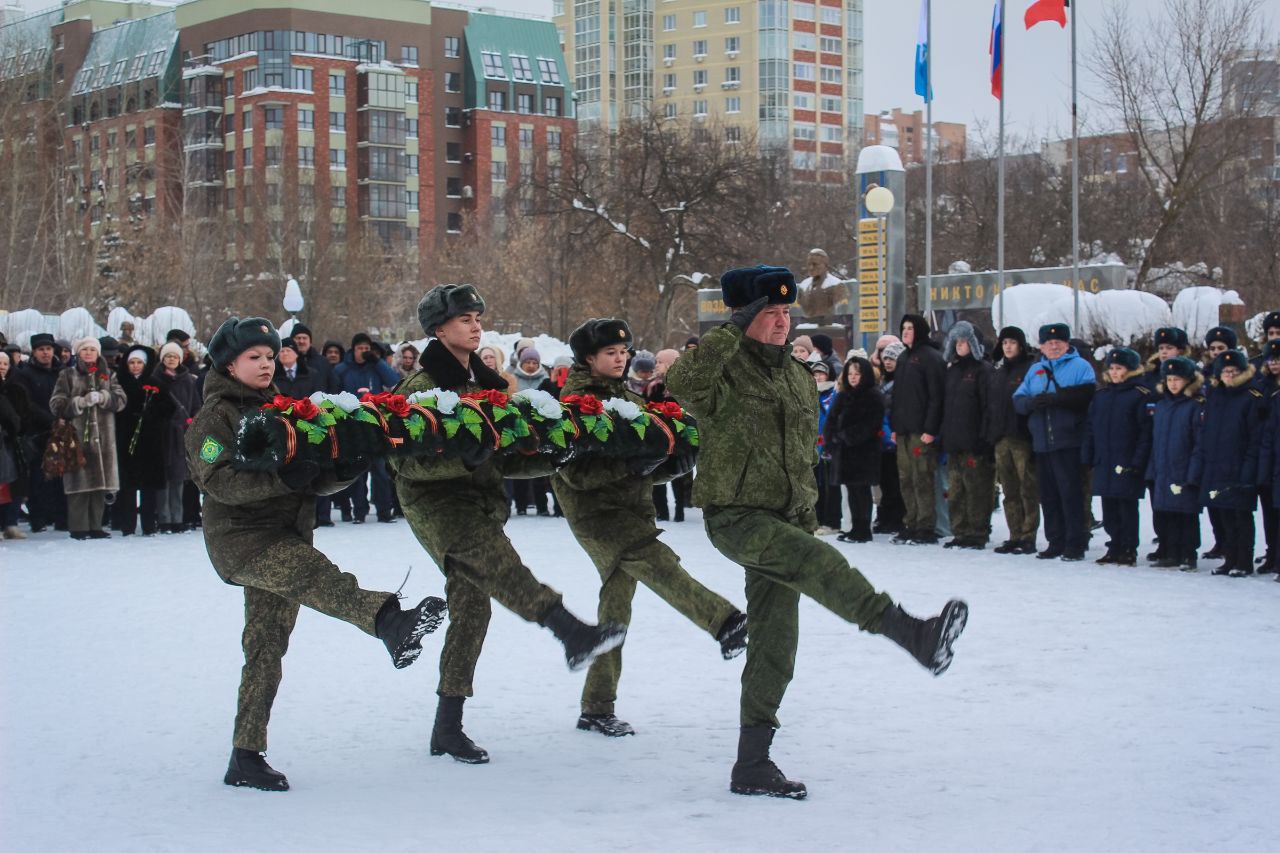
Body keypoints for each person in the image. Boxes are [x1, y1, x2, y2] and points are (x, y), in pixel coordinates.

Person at [666, 265, 968, 800]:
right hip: (737, 516)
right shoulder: (722, 368)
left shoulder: (794, 375)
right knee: (819, 564)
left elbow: (802, 455)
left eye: (786, 313)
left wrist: (805, 512)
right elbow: (681, 384)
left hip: (787, 517)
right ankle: (909, 632)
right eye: (769, 313)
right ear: (743, 317)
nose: (782, 323)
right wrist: (730, 333)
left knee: (776, 642)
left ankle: (751, 764)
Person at [187, 317, 446, 791]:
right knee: (317, 577)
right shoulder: (214, 417)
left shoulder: (284, 406)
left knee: (266, 647)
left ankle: (245, 756)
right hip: (244, 541)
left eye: (271, 355)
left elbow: (311, 474)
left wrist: (342, 467)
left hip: (288, 531)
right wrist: (281, 479)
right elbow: (217, 480)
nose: (267, 363)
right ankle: (388, 620)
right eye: (255, 357)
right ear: (229, 364)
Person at [391, 284, 626, 765]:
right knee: (501, 565)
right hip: (436, 506)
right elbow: (406, 465)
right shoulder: (420, 389)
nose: (476, 326)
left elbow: (502, 458)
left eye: (478, 318)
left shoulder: (489, 385)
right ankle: (570, 631)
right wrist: (462, 458)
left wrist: (550, 458)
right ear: (439, 330)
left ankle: (447, 728)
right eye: (464, 320)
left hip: (479, 502)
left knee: (473, 610)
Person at [554, 318, 747, 737]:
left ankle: (596, 707)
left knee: (615, 611)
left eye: (624, 352)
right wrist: (633, 464)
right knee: (659, 564)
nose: (621, 359)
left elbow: (642, 465)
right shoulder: (575, 404)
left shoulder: (626, 397)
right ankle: (725, 622)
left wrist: (669, 464)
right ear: (589, 359)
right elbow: (575, 476)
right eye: (611, 353)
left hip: (633, 510)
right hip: (597, 517)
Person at [1012, 323, 1096, 562]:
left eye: (1058, 341)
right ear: (1041, 346)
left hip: (1068, 440)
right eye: (1049, 342)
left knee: (1070, 494)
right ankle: (1055, 541)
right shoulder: (1035, 369)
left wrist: (1057, 399)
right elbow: (1018, 399)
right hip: (1042, 442)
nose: (1054, 345)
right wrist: (1031, 404)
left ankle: (1075, 543)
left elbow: (1086, 396)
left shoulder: (1081, 366)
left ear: (1067, 344)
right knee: (1048, 495)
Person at [1194, 350, 1266, 577]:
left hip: (1240, 464)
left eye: (1234, 371)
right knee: (1224, 514)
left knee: (1240, 515)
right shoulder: (1216, 396)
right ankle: (1230, 558)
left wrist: (1249, 468)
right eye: (1225, 372)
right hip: (1217, 464)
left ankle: (1243, 561)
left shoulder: (1251, 397)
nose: (1229, 376)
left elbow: (1255, 437)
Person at [48, 337, 127, 539]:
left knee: (100, 484)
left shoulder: (108, 375)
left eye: (93, 349)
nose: (89, 353)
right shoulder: (67, 375)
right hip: (77, 438)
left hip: (103, 439)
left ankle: (96, 525)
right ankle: (79, 526)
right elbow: (56, 404)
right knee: (79, 485)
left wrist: (105, 398)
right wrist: (79, 403)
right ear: (78, 353)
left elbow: (121, 400)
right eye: (85, 350)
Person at [1082, 348, 1153, 567]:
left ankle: (1128, 547)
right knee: (1109, 507)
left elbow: (1144, 433)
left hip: (1127, 461)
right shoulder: (1102, 396)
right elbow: (1091, 428)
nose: (1114, 373)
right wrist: (1089, 454)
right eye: (1111, 368)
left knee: (1126, 507)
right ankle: (1114, 545)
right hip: (1105, 460)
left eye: (1119, 368)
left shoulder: (1139, 394)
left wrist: (1137, 461)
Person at [333, 333, 400, 524]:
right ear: (353, 350)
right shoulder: (342, 369)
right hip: (352, 427)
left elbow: (393, 380)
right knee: (358, 472)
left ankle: (384, 512)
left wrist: (377, 361)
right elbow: (334, 394)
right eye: (360, 348)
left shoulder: (376, 367)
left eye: (366, 348)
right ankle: (359, 513)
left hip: (375, 427)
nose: (363, 351)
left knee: (380, 471)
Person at [1145, 356, 1204, 571]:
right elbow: (1155, 439)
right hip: (1162, 468)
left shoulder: (1196, 406)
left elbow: (1199, 442)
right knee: (1165, 512)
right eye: (1169, 379)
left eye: (1178, 379)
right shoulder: (1161, 406)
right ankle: (1170, 550)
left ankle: (1188, 553)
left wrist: (1193, 472)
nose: (1173, 384)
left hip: (1184, 467)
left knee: (1185, 513)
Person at [890, 314, 945, 544]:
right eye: (903, 327)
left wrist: (930, 428)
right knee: (905, 479)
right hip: (903, 431)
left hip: (921, 431)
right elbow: (897, 396)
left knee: (922, 478)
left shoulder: (931, 357)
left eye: (910, 328)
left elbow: (936, 396)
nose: (905, 331)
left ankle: (925, 526)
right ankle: (910, 522)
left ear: (919, 330)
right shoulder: (903, 357)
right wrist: (894, 426)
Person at [940, 321, 993, 549]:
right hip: (954, 442)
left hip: (974, 442)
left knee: (977, 490)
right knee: (956, 490)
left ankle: (977, 532)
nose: (960, 345)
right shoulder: (952, 371)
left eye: (964, 341)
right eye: (957, 341)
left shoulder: (983, 370)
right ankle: (960, 531)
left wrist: (983, 438)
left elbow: (987, 408)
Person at [986, 327, 1038, 555]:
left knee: (1028, 488)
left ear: (1021, 344)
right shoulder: (998, 372)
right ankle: (1014, 533)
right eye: (1005, 342)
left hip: (1021, 437)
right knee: (1009, 491)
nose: (1008, 346)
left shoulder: (1029, 369)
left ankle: (1028, 535)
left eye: (1012, 342)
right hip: (1001, 438)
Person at [112, 347, 173, 537]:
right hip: (126, 438)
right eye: (132, 362)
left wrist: (152, 413)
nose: (135, 366)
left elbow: (169, 407)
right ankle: (127, 524)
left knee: (149, 486)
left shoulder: (155, 382)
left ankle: (149, 524)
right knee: (127, 486)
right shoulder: (120, 382)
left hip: (149, 440)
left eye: (139, 362)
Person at [1142, 327, 1190, 563]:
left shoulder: (1191, 377)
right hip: (1156, 445)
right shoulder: (1151, 377)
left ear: (1181, 350)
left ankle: (1183, 548)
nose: (1164, 352)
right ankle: (1165, 543)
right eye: (1161, 348)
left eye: (1169, 348)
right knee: (1158, 499)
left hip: (1180, 447)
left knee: (1181, 502)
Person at [823, 356, 883, 543]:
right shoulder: (843, 395)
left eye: (857, 373)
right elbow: (831, 419)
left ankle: (863, 528)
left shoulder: (872, 396)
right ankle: (855, 527)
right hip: (844, 452)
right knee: (850, 489)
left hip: (863, 452)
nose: (853, 377)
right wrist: (831, 438)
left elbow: (870, 424)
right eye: (850, 373)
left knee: (861, 491)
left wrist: (847, 436)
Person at [11, 332, 66, 532]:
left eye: (48, 349)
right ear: (34, 352)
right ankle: (38, 518)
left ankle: (60, 517)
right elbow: (26, 403)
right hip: (36, 432)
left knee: (60, 475)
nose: (45, 353)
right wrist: (50, 419)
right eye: (41, 350)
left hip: (61, 430)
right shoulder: (24, 373)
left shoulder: (61, 371)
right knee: (38, 477)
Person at [153, 342, 202, 534]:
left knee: (179, 478)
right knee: (163, 477)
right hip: (163, 433)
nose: (171, 359)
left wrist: (192, 420)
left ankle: (177, 517)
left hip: (182, 433)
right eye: (168, 356)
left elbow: (196, 404)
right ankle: (163, 518)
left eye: (174, 356)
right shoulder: (155, 378)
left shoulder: (187, 379)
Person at [647, 349, 692, 523]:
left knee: (678, 476)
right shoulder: (653, 386)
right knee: (657, 475)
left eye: (660, 362)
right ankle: (662, 512)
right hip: (657, 438)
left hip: (679, 437)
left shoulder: (682, 386)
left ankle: (679, 511)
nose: (656, 365)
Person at [874, 342, 907, 534]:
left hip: (896, 436)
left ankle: (897, 518)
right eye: (886, 358)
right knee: (885, 481)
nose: (888, 362)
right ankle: (885, 516)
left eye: (892, 358)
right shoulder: (882, 382)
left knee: (897, 482)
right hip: (882, 439)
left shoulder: (902, 383)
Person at [1256, 333, 1280, 575]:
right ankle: (1272, 553)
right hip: (1267, 453)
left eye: (1278, 359)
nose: (1274, 363)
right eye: (1271, 359)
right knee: (1269, 512)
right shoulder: (1262, 387)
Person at [0, 350, 30, 540]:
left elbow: (25, 410)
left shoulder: (15, 387)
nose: (1, 367)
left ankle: (10, 523)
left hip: (13, 441)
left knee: (13, 483)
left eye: (5, 364)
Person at [796, 248, 847, 319]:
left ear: (825, 265)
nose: (811, 267)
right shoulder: (803, 285)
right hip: (807, 324)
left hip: (828, 324)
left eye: (815, 264)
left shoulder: (837, 285)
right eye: (809, 264)